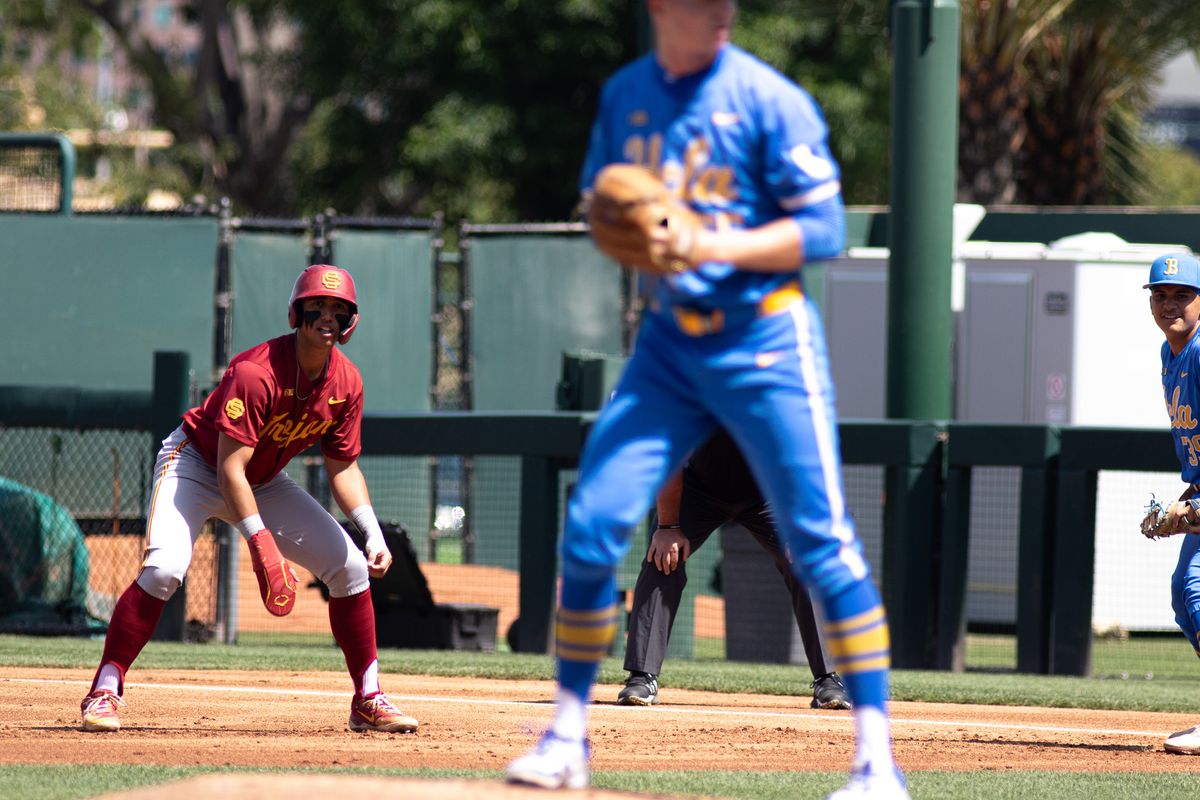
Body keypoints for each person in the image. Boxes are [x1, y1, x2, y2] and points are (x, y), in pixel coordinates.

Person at [506, 1, 906, 797]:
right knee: (590, 529)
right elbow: (606, 208)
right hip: (671, 343)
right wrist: (625, 223)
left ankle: (875, 763)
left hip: (765, 339)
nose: (722, 10)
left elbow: (824, 227)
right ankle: (566, 738)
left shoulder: (771, 99)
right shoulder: (628, 95)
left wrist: (709, 241)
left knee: (823, 546)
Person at [79, 264, 418, 735]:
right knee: (164, 570)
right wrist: (263, 548)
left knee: (352, 569)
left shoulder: (347, 383)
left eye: (338, 310)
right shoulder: (256, 373)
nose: (327, 316)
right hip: (196, 465)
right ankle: (104, 689)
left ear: (350, 323)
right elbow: (228, 468)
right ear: (296, 314)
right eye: (316, 306)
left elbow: (343, 467)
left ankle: (369, 698)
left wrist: (373, 533)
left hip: (262, 479)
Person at [618, 427, 850, 710]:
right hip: (698, 488)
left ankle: (828, 679)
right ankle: (642, 676)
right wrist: (668, 527)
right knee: (663, 557)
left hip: (768, 493)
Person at [1143, 251, 1200, 755]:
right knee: (1186, 601)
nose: (1169, 303)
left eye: (1183, 294)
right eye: (1160, 294)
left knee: (1194, 589)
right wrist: (1184, 502)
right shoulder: (1172, 354)